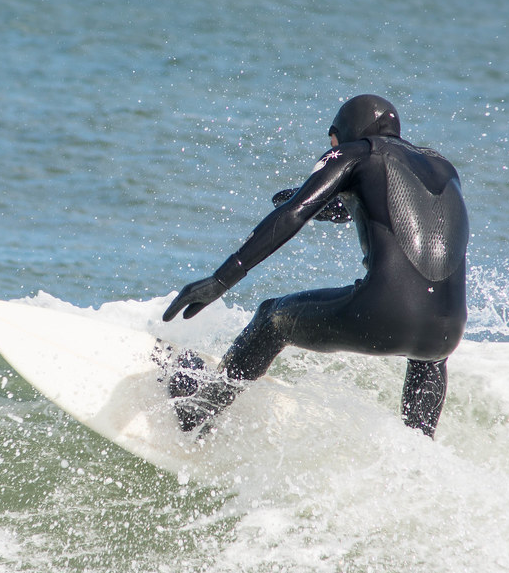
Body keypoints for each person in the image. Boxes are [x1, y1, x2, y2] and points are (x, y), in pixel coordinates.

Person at [162, 94, 469, 439]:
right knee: (427, 359)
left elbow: (293, 214)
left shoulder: (357, 152)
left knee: (270, 319)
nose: (331, 146)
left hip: (384, 314)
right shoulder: (442, 166)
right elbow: (381, 210)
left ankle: (199, 410)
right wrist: (329, 201)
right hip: (446, 331)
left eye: (332, 139)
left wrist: (220, 280)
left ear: (343, 132)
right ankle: (418, 460)